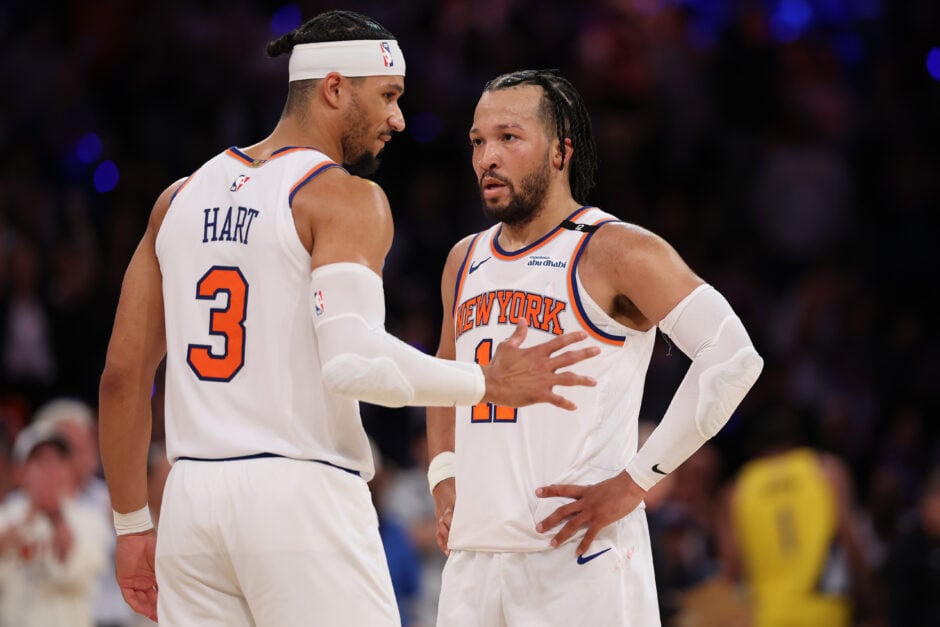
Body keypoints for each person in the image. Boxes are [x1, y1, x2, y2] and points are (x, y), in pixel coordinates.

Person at [97, 12, 597, 627]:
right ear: (335, 89)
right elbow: (354, 363)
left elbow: (123, 376)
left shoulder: (175, 200)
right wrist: (486, 381)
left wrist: (131, 527)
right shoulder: (342, 197)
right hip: (300, 497)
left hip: (190, 503)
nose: (398, 119)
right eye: (387, 96)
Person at [426, 69, 764, 626]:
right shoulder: (464, 258)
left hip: (581, 560)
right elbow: (443, 373)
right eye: (477, 141)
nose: (487, 156)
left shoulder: (615, 249)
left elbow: (732, 357)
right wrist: (442, 478)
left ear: (560, 152)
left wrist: (638, 482)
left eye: (509, 138)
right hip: (474, 561)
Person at [716, 407, 872, 627]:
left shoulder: (736, 490)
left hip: (766, 616)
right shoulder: (827, 470)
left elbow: (732, 568)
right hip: (826, 613)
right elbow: (851, 543)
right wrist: (869, 606)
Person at [0, 419, 109, 627]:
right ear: (20, 471)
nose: (49, 469)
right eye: (40, 461)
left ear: (69, 469)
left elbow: (80, 571)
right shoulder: (6, 516)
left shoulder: (89, 518)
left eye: (58, 460)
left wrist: (55, 515)